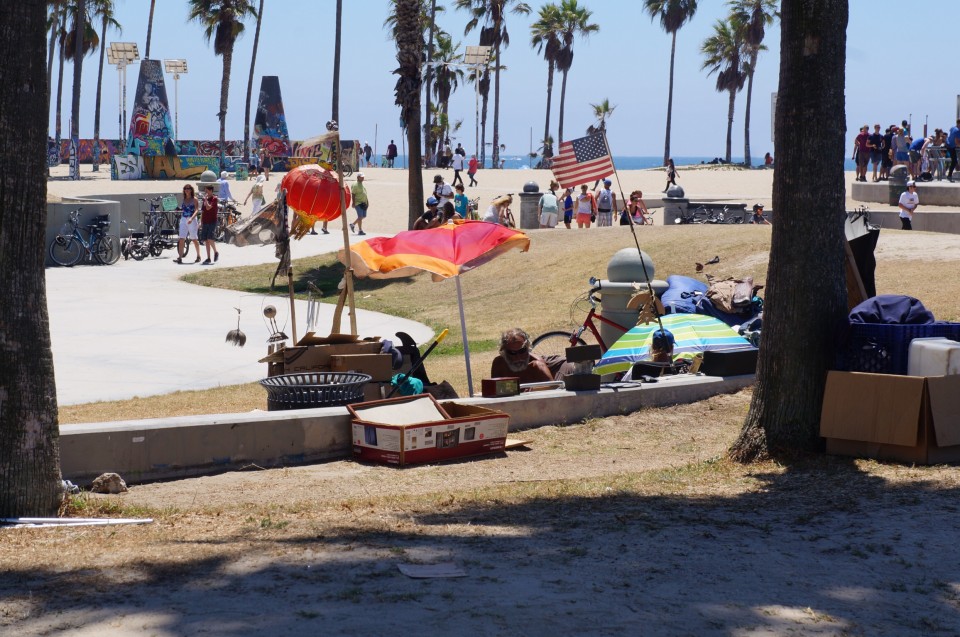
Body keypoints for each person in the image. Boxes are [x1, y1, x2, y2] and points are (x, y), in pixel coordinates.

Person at [489, 328, 555, 384]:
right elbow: (494, 391)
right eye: (512, 352)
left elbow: (554, 389)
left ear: (528, 348)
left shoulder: (538, 366)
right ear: (504, 352)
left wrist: (534, 389)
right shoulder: (499, 364)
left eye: (522, 351)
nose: (518, 357)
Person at [175, 184, 202, 264]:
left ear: (191, 190)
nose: (187, 190)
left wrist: (192, 218)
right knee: (181, 238)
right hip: (183, 219)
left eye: (188, 188)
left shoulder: (194, 199)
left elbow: (197, 210)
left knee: (194, 239)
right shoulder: (184, 199)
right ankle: (180, 257)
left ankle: (198, 255)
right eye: (185, 188)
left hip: (192, 219)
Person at [199, 184, 220, 265]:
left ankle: (216, 252)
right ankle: (208, 258)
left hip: (212, 221)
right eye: (205, 191)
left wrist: (205, 200)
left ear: (211, 191)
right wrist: (201, 222)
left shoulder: (214, 199)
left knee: (210, 238)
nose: (205, 192)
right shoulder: (206, 200)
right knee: (206, 240)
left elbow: (208, 207)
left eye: (207, 191)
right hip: (205, 221)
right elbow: (203, 211)